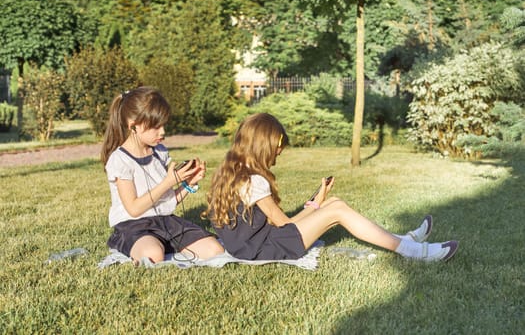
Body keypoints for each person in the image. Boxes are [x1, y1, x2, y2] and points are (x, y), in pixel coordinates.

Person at [204, 113, 458, 262]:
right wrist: (317, 208)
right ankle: (413, 250)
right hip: (264, 249)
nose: (278, 154)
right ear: (264, 145)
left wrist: (316, 203)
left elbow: (279, 223)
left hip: (255, 244)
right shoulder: (254, 180)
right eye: (277, 149)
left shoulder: (233, 173)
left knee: (334, 203)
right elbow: (285, 225)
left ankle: (401, 240)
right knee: (337, 210)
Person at [101, 86, 224, 264]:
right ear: (133, 126)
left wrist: (188, 183)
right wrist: (168, 182)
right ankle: (143, 244)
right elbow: (134, 209)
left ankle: (162, 243)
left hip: (165, 221)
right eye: (155, 127)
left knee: (215, 250)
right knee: (153, 255)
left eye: (163, 125)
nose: (163, 132)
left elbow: (167, 201)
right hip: (133, 225)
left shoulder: (159, 152)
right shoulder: (120, 160)